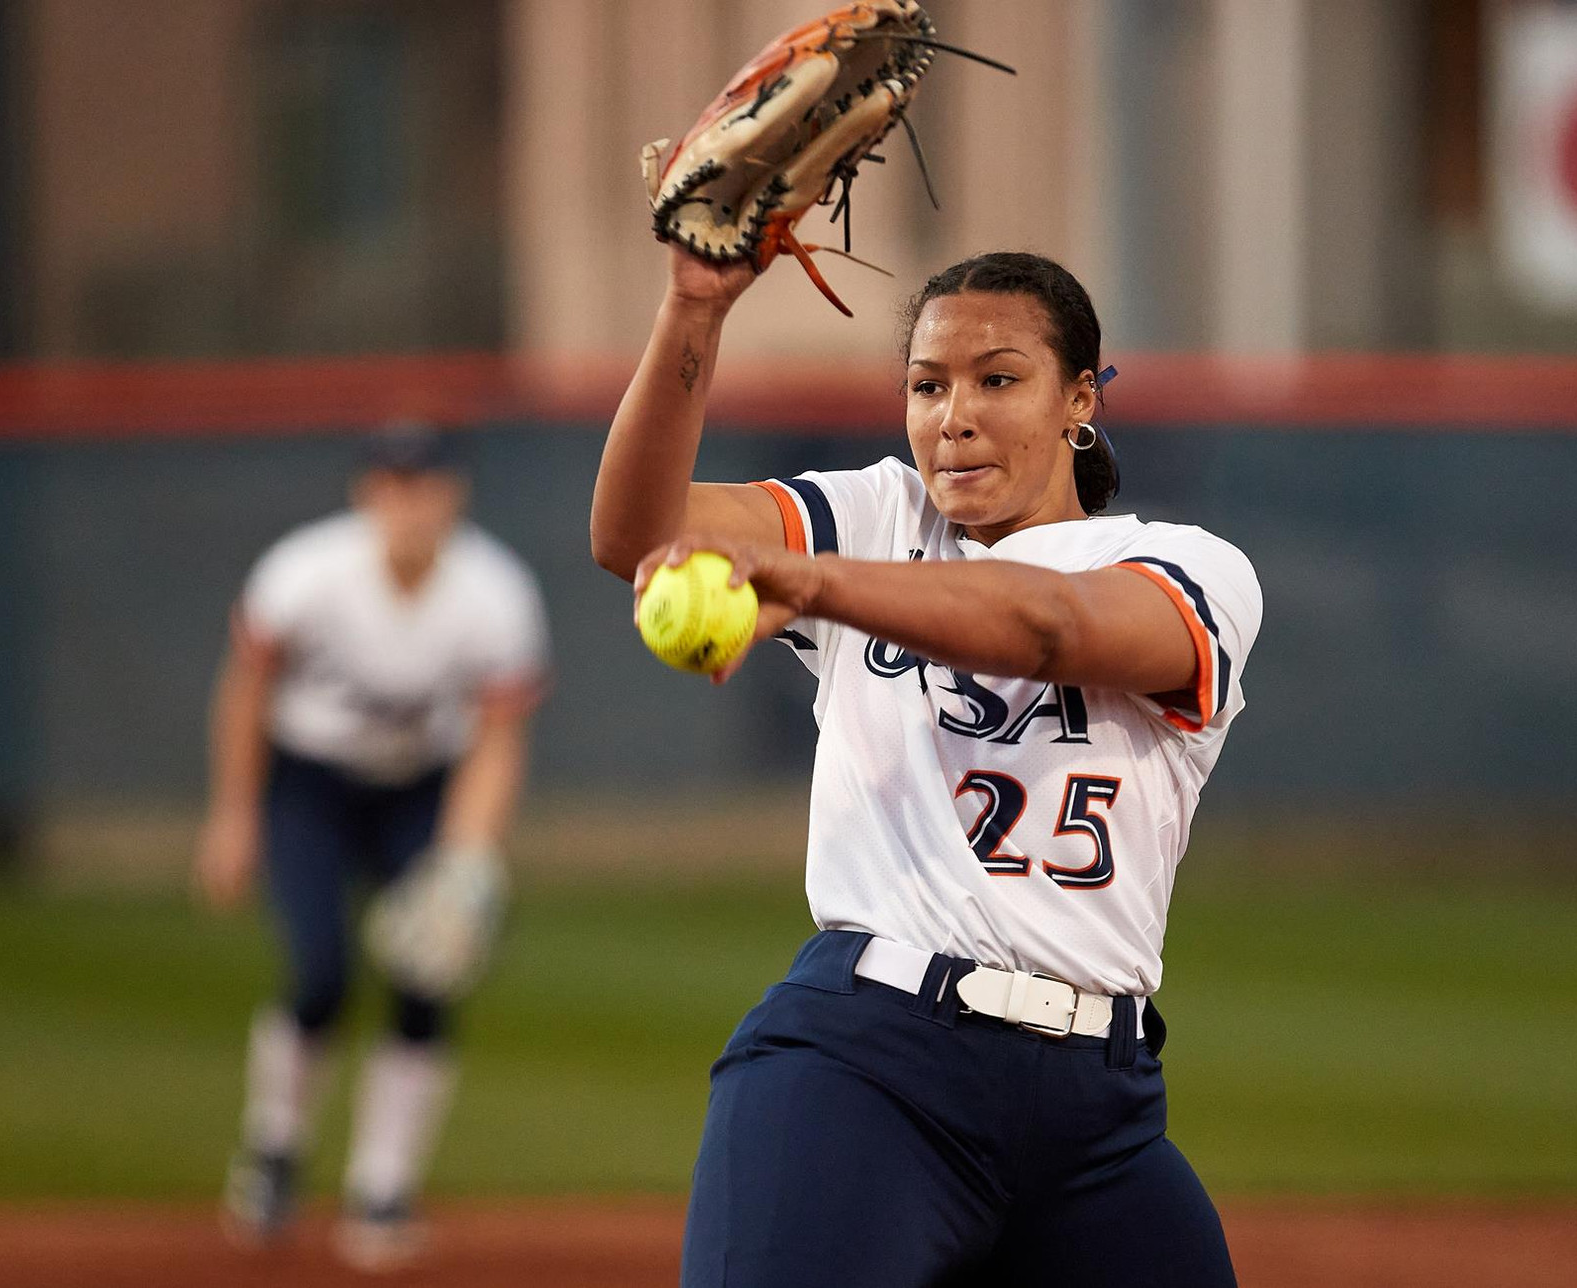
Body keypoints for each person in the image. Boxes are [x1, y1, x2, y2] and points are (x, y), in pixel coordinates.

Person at [591, 247, 1262, 1286]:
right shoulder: (881, 518)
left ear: (1080, 398)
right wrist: (692, 307)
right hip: (868, 1069)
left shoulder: (1195, 569)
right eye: (927, 384)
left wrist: (809, 583)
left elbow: (1049, 625)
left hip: (1102, 1113)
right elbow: (633, 532)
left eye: (998, 379)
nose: (955, 414)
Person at [195, 421, 548, 1270]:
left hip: (421, 788)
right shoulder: (305, 574)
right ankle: (275, 1148)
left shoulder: (494, 593)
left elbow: (499, 736)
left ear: (453, 493)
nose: (409, 501)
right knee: (320, 972)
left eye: (425, 483)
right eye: (393, 483)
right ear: (366, 493)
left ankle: (382, 1187)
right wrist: (235, 815)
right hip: (309, 784)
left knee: (426, 977)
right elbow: (247, 692)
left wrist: (467, 859)